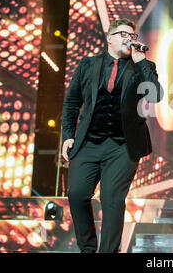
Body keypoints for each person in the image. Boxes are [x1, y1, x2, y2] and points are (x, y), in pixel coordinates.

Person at [61, 18, 162, 253]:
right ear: (110, 37)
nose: (129, 39)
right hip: (88, 142)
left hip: (122, 146)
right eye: (124, 34)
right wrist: (68, 134)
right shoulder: (88, 64)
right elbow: (72, 102)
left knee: (112, 200)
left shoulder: (142, 67)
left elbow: (155, 96)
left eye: (132, 35)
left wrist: (142, 63)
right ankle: (87, 248)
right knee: (76, 194)